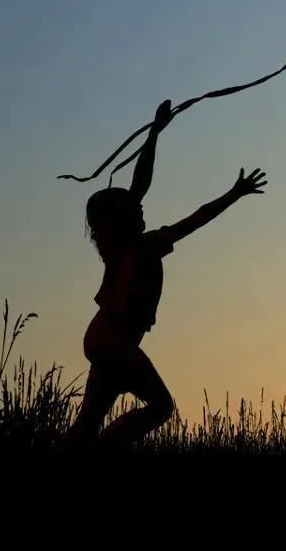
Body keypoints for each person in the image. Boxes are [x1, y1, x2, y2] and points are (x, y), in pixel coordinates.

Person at [66, 99, 268, 452]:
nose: (141, 206)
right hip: (113, 339)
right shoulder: (128, 248)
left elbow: (191, 214)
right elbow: (150, 189)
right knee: (161, 406)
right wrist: (155, 134)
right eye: (134, 207)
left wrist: (156, 134)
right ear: (121, 219)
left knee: (86, 427)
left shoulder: (139, 246)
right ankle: (103, 451)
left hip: (106, 339)